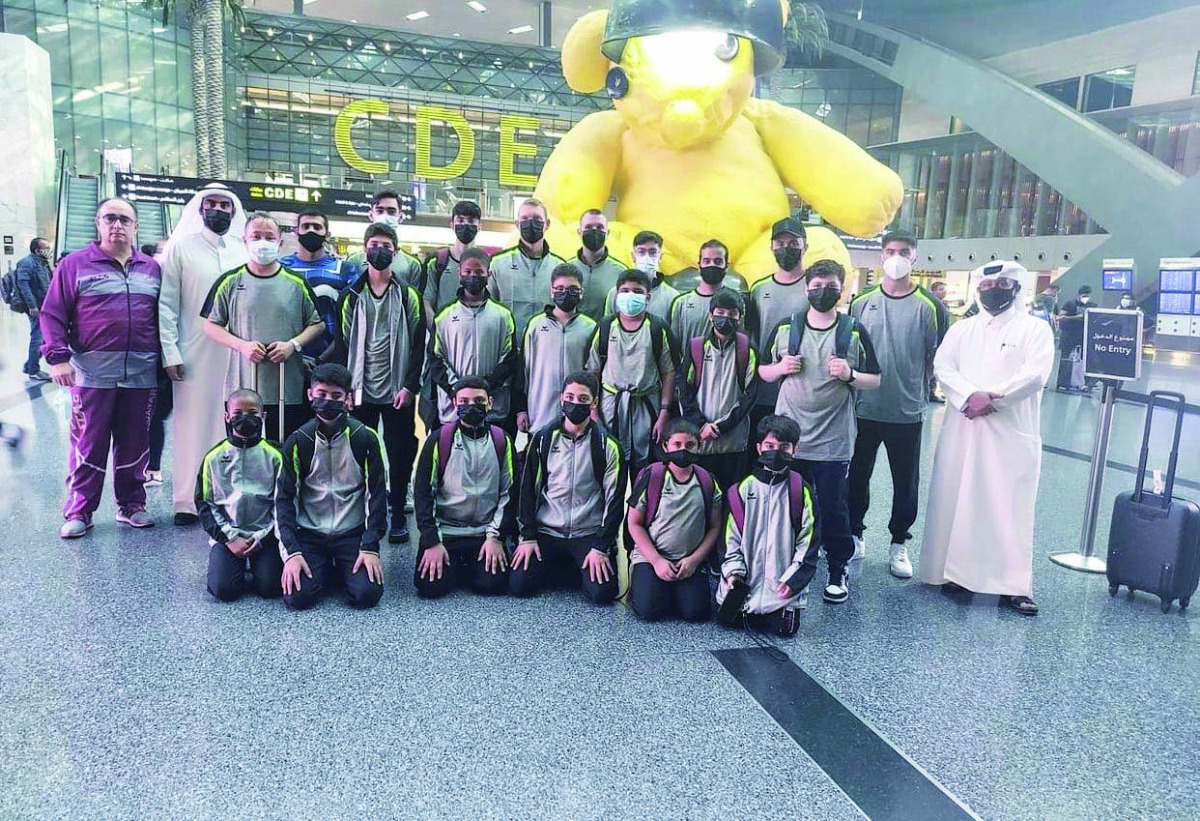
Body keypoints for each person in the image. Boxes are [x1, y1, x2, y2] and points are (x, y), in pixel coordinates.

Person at [921, 260, 1055, 616]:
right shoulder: (962, 330)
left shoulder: (1035, 329)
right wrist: (969, 396)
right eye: (986, 285)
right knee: (958, 499)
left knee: (1008, 506)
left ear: (1016, 288)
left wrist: (992, 398)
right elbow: (943, 366)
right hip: (963, 428)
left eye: (1002, 284)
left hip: (1008, 431)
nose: (993, 290)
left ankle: (1013, 586)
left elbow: (1035, 375)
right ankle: (954, 576)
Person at [758, 259, 881, 604]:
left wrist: (850, 375)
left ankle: (837, 566)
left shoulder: (853, 330)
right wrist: (780, 368)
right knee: (786, 504)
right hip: (789, 438)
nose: (823, 291)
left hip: (833, 438)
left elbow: (875, 379)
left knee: (832, 505)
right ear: (806, 288)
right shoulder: (787, 327)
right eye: (816, 286)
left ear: (841, 289)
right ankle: (789, 565)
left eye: (830, 286)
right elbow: (762, 370)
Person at [41, 198, 162, 538]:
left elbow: (163, 317)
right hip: (92, 374)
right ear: (98, 223)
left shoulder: (152, 269)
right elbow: (52, 313)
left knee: (135, 443)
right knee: (88, 444)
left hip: (141, 375)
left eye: (125, 219)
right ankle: (79, 510)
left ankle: (132, 504)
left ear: (136, 226)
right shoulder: (75, 265)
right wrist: (57, 357)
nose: (117, 225)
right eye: (110, 218)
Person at [847, 230, 940, 580]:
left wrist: (921, 390)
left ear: (914, 257)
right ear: (881, 256)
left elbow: (935, 357)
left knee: (905, 481)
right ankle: (855, 534)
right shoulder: (862, 302)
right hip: (863, 408)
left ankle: (899, 542)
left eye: (903, 251)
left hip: (907, 411)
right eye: (890, 251)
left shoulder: (929, 306)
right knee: (857, 476)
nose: (896, 257)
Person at [158, 183, 249, 525]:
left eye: (225, 205)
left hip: (237, 353)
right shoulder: (181, 247)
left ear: (233, 210)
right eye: (211, 204)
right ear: (200, 208)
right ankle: (187, 500)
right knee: (191, 425)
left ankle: (229, 499)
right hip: (192, 352)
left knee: (232, 424)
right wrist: (170, 351)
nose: (218, 210)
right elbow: (167, 304)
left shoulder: (243, 248)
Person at [333, 222, 426, 545]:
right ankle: (367, 516)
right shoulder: (350, 296)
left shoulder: (408, 296)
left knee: (400, 454)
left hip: (397, 390)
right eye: (374, 245)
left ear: (396, 252)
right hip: (360, 390)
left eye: (386, 246)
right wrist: (345, 389)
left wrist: (409, 387)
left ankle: (397, 512)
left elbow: (418, 345)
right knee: (361, 454)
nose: (380, 251)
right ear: (364, 250)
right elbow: (343, 345)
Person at [201, 213, 324, 440]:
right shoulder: (230, 281)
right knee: (244, 447)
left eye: (269, 237)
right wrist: (242, 346)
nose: (262, 242)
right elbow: (211, 325)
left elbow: (317, 324)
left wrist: (293, 345)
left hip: (286, 385)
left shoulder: (296, 283)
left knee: (286, 447)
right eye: (256, 236)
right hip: (243, 385)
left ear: (280, 241)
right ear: (245, 240)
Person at [277, 364, 387, 610]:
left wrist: (370, 546)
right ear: (310, 395)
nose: (328, 401)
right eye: (321, 394)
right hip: (310, 533)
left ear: (347, 398)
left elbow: (377, 495)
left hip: (351, 532)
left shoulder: (365, 438)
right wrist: (292, 553)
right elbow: (284, 500)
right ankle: (327, 568)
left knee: (367, 594)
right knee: (297, 597)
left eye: (336, 395)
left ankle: (338, 570)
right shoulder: (298, 441)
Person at [511, 372, 625, 603]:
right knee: (519, 584)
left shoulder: (608, 445)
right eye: (570, 397)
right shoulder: (543, 439)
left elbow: (615, 501)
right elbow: (527, 491)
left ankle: (571, 566)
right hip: (547, 530)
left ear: (594, 402)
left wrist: (600, 546)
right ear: (561, 398)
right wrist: (528, 537)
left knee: (602, 593)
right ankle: (566, 567)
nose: (575, 403)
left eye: (583, 399)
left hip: (587, 532)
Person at [413, 377, 515, 599]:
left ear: (490, 403)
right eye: (464, 401)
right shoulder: (439, 440)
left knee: (493, 585)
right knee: (430, 587)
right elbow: (423, 494)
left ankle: (469, 564)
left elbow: (509, 493)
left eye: (479, 400)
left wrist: (495, 538)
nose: (471, 406)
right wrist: (431, 541)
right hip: (446, 530)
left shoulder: (502, 440)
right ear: (454, 404)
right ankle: (457, 562)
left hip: (484, 531)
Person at [715, 415, 818, 637]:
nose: (776, 452)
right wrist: (733, 574)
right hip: (743, 584)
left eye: (784, 447)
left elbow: (808, 544)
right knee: (729, 622)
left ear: (795, 450)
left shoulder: (801, 491)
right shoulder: (741, 490)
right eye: (770, 446)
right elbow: (729, 540)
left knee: (783, 630)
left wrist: (793, 581)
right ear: (759, 447)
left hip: (781, 588)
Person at [626, 419, 722, 622]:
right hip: (651, 556)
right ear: (665, 446)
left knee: (696, 613)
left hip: (688, 559)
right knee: (648, 610)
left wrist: (694, 560)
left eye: (690, 445)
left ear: (699, 446)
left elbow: (715, 527)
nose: (683, 450)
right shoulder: (652, 476)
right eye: (676, 444)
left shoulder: (708, 481)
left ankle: (676, 590)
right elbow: (634, 523)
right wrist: (657, 561)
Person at [587, 268, 676, 477]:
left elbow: (669, 372)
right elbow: (592, 372)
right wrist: (594, 413)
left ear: (647, 297)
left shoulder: (657, 328)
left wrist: (664, 412)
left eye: (637, 291)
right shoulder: (605, 327)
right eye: (625, 291)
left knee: (644, 469)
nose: (630, 295)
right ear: (616, 295)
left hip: (646, 405)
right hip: (610, 406)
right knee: (610, 467)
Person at [197, 389, 284, 602]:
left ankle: (259, 565)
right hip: (228, 536)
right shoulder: (213, 457)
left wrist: (263, 537)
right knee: (223, 591)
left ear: (263, 416)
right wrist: (229, 538)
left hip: (265, 534)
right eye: (237, 413)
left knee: (270, 587)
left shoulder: (276, 455)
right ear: (227, 416)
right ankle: (231, 565)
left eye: (252, 413)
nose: (245, 418)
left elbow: (284, 503)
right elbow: (205, 504)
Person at [427, 248, 519, 428]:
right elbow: (436, 359)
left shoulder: (503, 315)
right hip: (453, 411)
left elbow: (509, 359)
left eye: (478, 272)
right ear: (459, 273)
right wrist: (457, 389)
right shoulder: (444, 316)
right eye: (467, 272)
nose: (473, 276)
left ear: (488, 274)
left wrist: (486, 387)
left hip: (493, 411)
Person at [678, 290, 758, 495]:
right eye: (720, 312)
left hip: (734, 442)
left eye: (732, 314)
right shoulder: (696, 347)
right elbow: (684, 391)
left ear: (740, 317)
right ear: (710, 315)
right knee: (702, 496)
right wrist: (701, 425)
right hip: (701, 440)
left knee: (732, 496)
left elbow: (750, 396)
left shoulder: (747, 349)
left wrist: (722, 426)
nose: (725, 318)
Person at [516, 264, 597, 435]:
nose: (565, 293)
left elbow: (594, 372)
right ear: (552, 292)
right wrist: (521, 409)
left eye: (572, 289)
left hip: (577, 416)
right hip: (540, 412)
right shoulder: (535, 325)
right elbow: (522, 370)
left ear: (581, 292)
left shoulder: (590, 327)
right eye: (560, 289)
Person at [747, 218, 808, 436]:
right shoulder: (758, 288)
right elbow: (750, 335)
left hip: (800, 387)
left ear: (805, 246)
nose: (786, 248)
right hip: (761, 387)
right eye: (780, 243)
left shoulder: (814, 287)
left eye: (793, 243)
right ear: (772, 247)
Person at [279, 208, 356, 363]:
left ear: (327, 235)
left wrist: (323, 359)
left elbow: (353, 320)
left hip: (331, 360)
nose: (311, 231)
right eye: (306, 226)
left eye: (317, 227)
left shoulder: (345, 270)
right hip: (287, 357)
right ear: (296, 232)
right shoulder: (280, 268)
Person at [489, 198, 566, 334]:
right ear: (517, 224)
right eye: (525, 219)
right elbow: (488, 308)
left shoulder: (560, 267)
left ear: (547, 224)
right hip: (509, 341)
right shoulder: (498, 263)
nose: (531, 223)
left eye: (537, 219)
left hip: (546, 341)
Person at [669, 239, 746, 349]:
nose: (712, 265)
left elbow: (741, 342)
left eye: (718, 262)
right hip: (689, 360)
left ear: (726, 266)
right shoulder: (681, 303)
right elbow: (674, 345)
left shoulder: (737, 302)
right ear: (699, 265)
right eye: (707, 261)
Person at [345, 190, 424, 291]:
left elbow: (414, 297)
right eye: (380, 211)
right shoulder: (354, 261)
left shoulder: (412, 264)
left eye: (391, 212)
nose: (385, 216)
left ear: (400, 217)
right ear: (371, 215)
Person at [603, 230, 680, 322]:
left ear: (660, 257)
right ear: (633, 256)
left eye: (652, 252)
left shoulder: (672, 297)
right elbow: (607, 326)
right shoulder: (616, 294)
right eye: (641, 252)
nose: (646, 257)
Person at [422, 199, 482, 315]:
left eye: (471, 220)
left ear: (479, 226)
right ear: (452, 225)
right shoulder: (437, 262)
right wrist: (435, 325)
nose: (465, 224)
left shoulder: (488, 264)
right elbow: (427, 301)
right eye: (460, 220)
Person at [567, 209, 625, 321]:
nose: (594, 231)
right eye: (588, 227)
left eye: (599, 227)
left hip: (606, 331)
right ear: (579, 232)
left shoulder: (620, 273)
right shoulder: (566, 270)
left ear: (607, 233)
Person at [15, 237, 52, 381]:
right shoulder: (27, 263)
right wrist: (32, 306)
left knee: (44, 337)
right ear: (37, 250)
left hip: (44, 305)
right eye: (46, 248)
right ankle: (34, 370)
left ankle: (29, 365)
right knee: (38, 337)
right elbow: (23, 285)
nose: (48, 251)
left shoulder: (42, 262)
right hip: (36, 306)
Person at [1056, 284, 1092, 391]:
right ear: (1079, 295)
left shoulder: (1091, 306)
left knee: (1085, 360)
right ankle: (1063, 382)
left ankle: (1085, 384)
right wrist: (1075, 317)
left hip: (1083, 336)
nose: (1085, 298)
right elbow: (1060, 317)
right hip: (1069, 335)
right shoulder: (1070, 304)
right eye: (1084, 295)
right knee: (1066, 358)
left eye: (1087, 296)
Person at [927, 279, 951, 402]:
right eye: (941, 289)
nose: (944, 292)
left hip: (942, 341)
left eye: (944, 289)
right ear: (933, 291)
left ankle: (931, 391)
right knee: (930, 367)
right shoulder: (931, 305)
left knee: (935, 367)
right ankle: (928, 392)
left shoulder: (944, 305)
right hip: (933, 341)